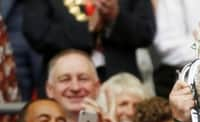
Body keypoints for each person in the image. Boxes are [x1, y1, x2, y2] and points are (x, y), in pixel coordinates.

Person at [23, 0, 155, 87]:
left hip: (120, 84)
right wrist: (88, 29)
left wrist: (115, 16)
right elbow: (37, 33)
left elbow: (146, 33)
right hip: (66, 85)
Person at [45, 50, 100, 122]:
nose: (75, 87)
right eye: (65, 79)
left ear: (97, 87)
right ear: (50, 89)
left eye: (83, 79)